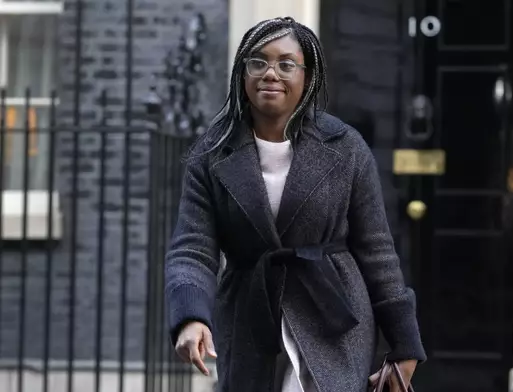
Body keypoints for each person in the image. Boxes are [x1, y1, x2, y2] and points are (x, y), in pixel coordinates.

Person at [165, 16, 427, 392]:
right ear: (243, 73)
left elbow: (376, 251)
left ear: (308, 76)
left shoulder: (345, 148)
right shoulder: (211, 153)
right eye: (258, 62)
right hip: (251, 320)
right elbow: (192, 248)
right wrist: (190, 315)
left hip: (332, 321)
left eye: (286, 64)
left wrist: (405, 343)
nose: (271, 73)